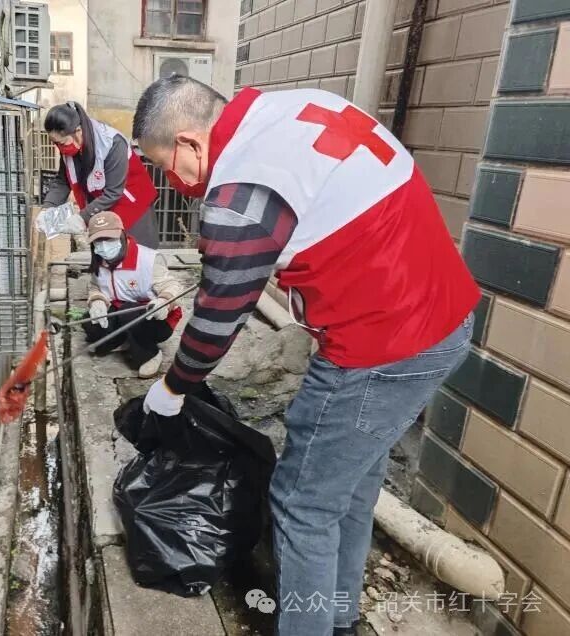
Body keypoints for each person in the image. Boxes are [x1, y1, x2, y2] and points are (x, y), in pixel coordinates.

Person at [132, 76, 480, 635]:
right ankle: (338, 620)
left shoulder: (240, 190)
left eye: (167, 165)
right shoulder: (290, 111)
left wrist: (171, 389)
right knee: (350, 487)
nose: (175, 181)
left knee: (301, 504)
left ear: (191, 143)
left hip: (382, 344)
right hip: (445, 317)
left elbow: (219, 318)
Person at [42, 101, 160, 248]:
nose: (60, 148)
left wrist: (81, 218)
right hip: (102, 206)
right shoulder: (69, 149)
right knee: (104, 256)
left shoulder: (112, 143)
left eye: (62, 143)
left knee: (133, 255)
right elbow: (62, 181)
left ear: (78, 132)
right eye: (56, 143)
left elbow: (113, 193)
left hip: (132, 204)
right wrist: (48, 207)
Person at [83, 211, 183, 378]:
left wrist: (164, 301)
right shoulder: (100, 261)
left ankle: (150, 354)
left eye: (109, 239)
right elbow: (96, 287)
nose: (104, 245)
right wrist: (97, 301)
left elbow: (172, 285)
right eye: (98, 241)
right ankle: (125, 339)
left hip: (154, 318)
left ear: (122, 235)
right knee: (92, 325)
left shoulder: (148, 259)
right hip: (122, 312)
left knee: (129, 310)